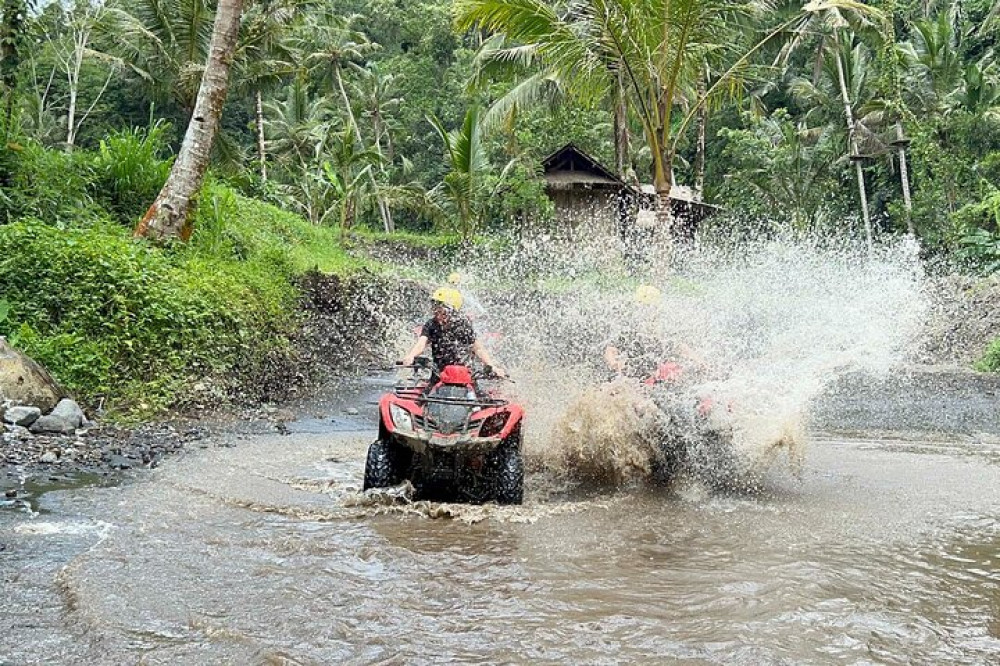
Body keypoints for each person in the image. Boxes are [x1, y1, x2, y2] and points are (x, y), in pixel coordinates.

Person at [401, 286, 507, 378]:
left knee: (479, 397)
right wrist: (411, 356)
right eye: (435, 310)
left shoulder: (462, 326)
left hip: (464, 375)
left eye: (443, 313)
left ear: (454, 312)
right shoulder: (431, 325)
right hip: (439, 374)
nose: (438, 315)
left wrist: (492, 366)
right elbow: (421, 344)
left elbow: (478, 349)